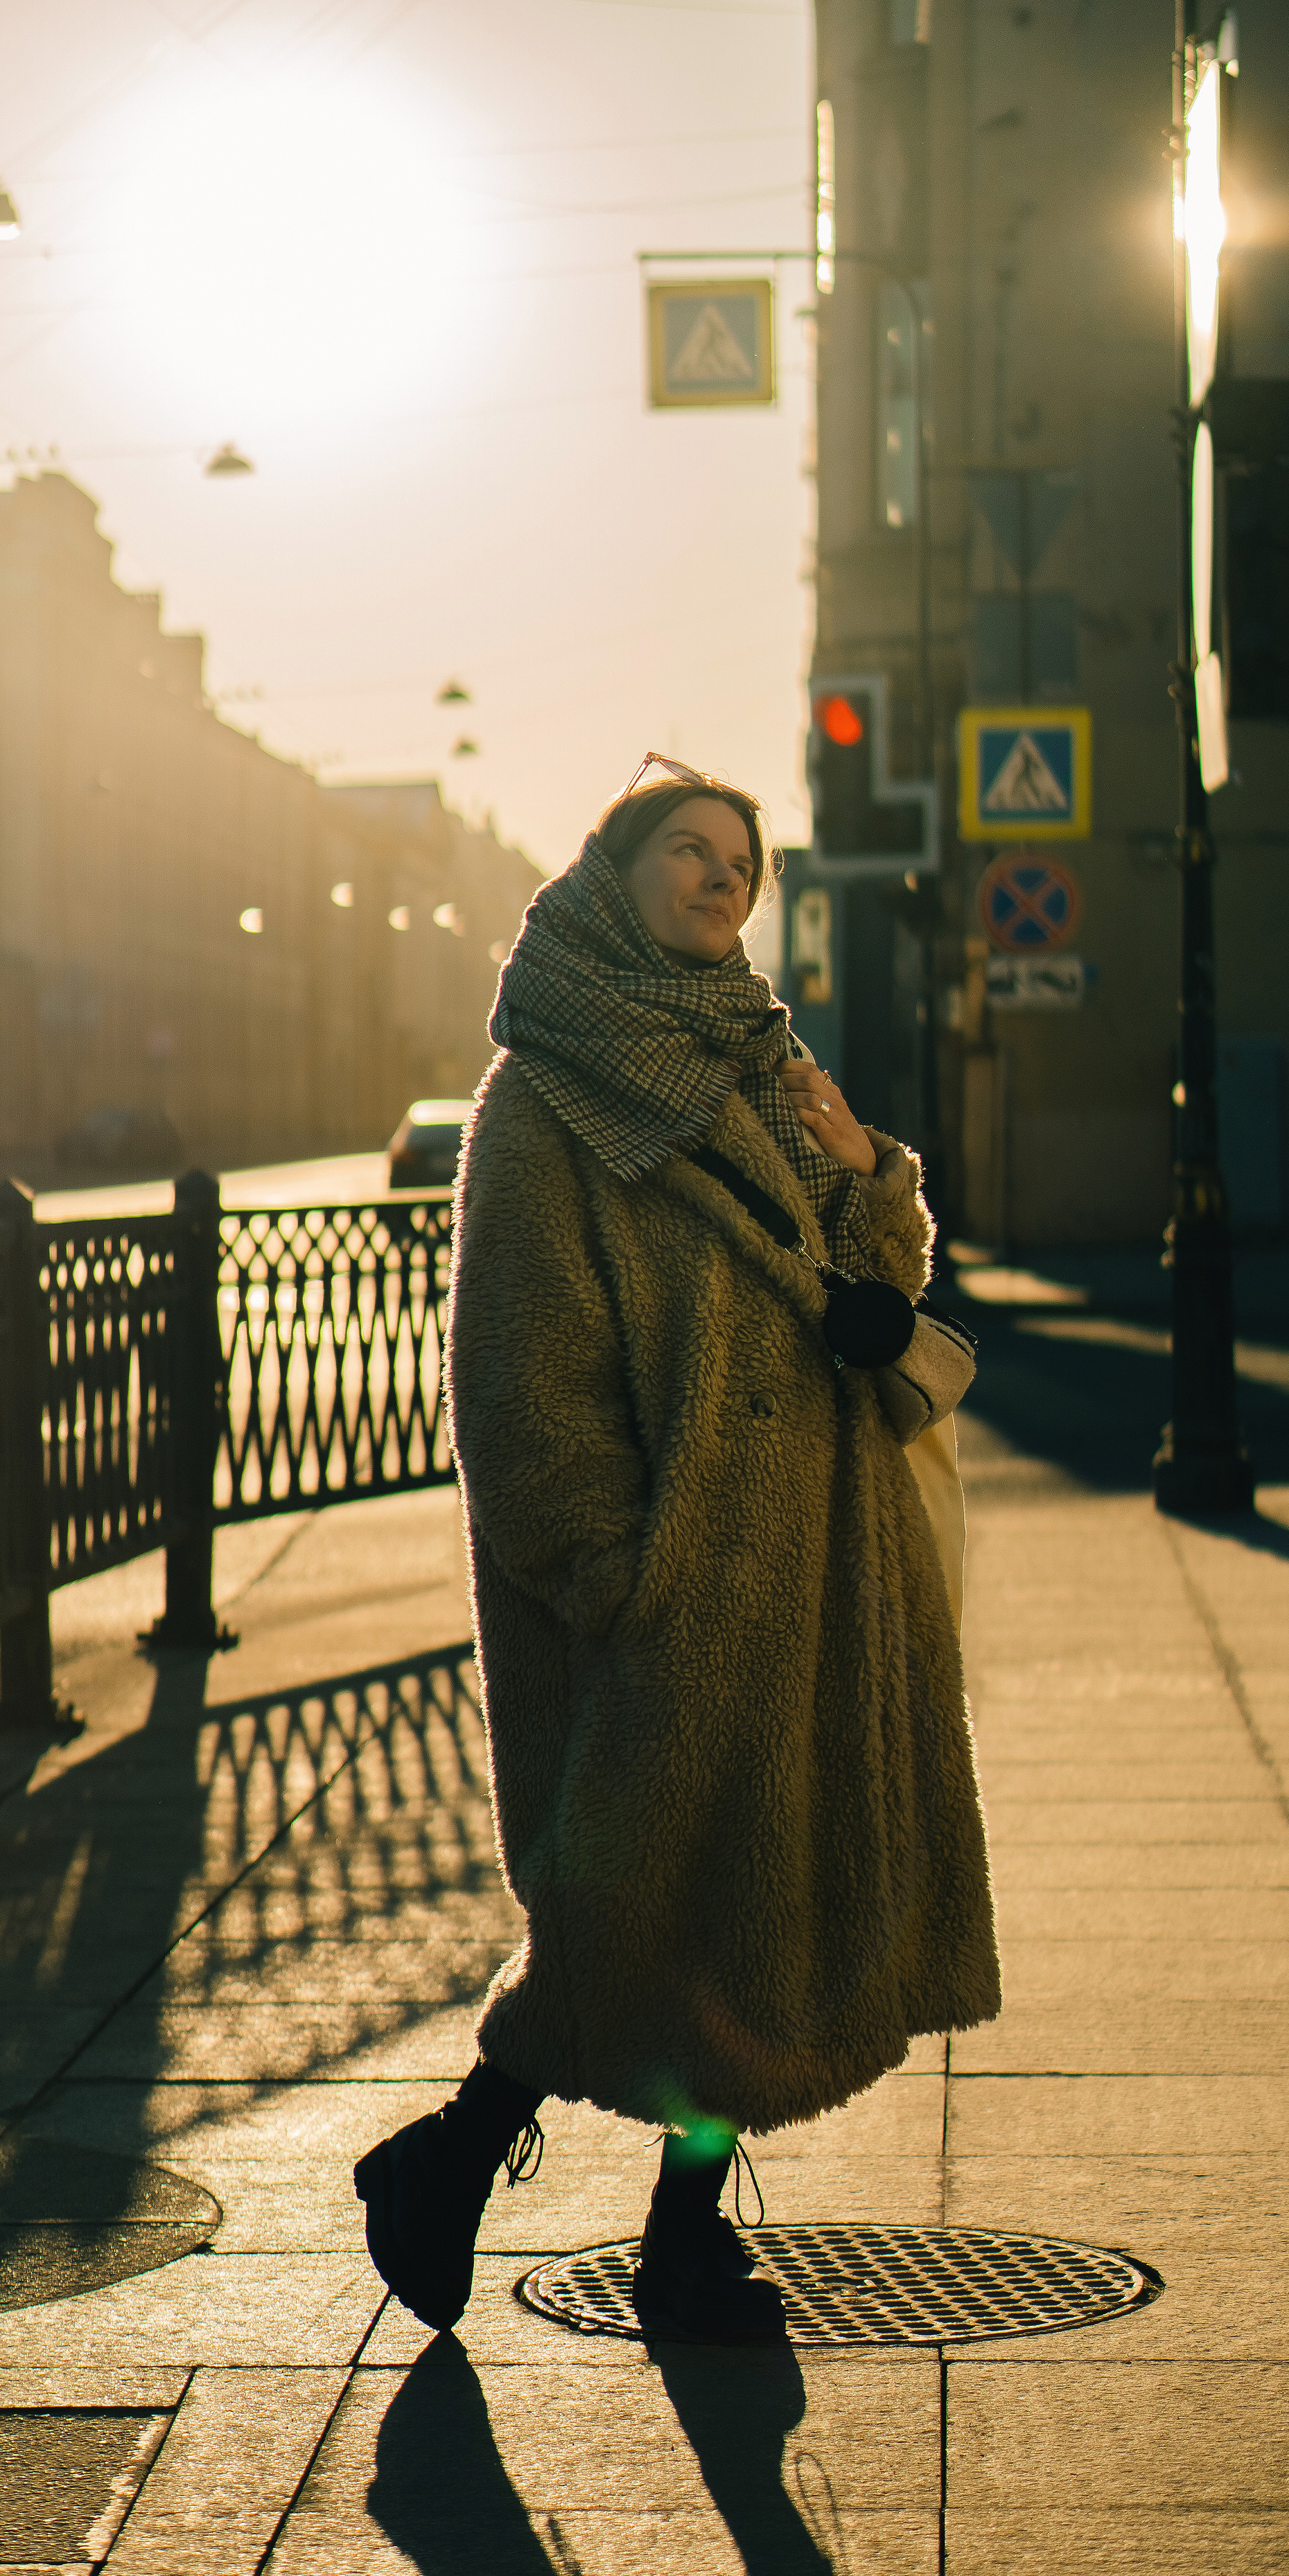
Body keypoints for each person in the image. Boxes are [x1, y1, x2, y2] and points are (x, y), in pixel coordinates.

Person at [356, 757, 1000, 2344]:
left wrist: (861, 1178)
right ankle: (454, 2166)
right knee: (633, 1926)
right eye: (688, 853)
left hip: (811, 1566)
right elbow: (514, 1373)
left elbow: (857, 1282)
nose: (721, 881)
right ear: (613, 870)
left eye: (741, 864)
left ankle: (651, 2234)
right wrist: (614, 1575)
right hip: (673, 1590)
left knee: (749, 1929)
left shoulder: (753, 1058)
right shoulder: (549, 1091)